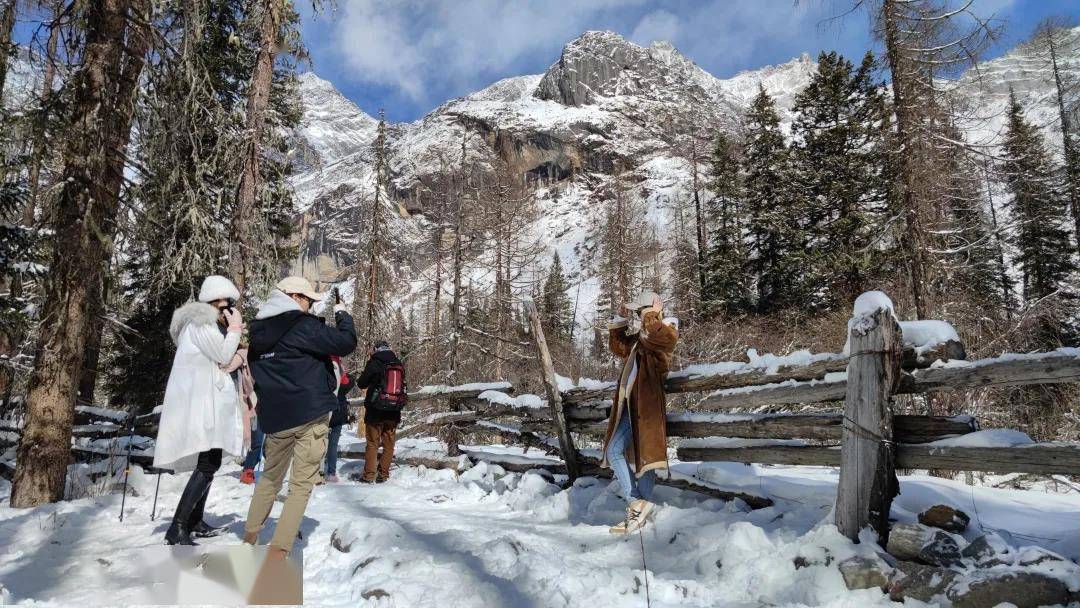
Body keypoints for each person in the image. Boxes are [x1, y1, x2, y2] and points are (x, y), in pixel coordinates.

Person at [243, 276, 357, 559]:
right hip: (309, 413)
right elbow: (345, 342)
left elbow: (258, 374)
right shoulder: (300, 325)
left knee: (269, 478)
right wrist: (342, 314)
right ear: (294, 297)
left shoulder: (258, 332)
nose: (309, 306)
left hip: (276, 417)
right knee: (300, 485)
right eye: (307, 300)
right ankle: (278, 553)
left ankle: (249, 538)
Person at [154, 275, 246, 545]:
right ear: (214, 303)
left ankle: (194, 520)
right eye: (226, 306)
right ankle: (178, 526)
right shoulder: (201, 322)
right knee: (208, 464)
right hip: (203, 405)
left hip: (207, 404)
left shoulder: (203, 324)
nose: (228, 312)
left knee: (210, 462)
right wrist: (236, 330)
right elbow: (222, 355)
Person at [602, 290, 678, 535]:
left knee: (640, 459)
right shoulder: (642, 337)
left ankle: (635, 506)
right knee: (623, 452)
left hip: (647, 407)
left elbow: (662, 340)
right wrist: (619, 321)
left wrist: (651, 316)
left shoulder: (665, 330)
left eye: (640, 311)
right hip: (629, 405)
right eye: (637, 312)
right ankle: (638, 508)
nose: (638, 316)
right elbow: (619, 347)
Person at [354, 340, 406, 483]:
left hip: (375, 410)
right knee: (389, 444)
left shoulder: (375, 362)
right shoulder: (398, 363)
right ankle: (383, 474)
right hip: (394, 411)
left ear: (376, 349)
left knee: (372, 443)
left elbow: (362, 383)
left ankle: (369, 475)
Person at [322, 355, 353, 484]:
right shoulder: (340, 368)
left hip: (323, 409)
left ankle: (317, 472)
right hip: (338, 410)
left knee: (319, 441)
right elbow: (347, 385)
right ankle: (331, 472)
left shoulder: (320, 365)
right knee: (333, 444)